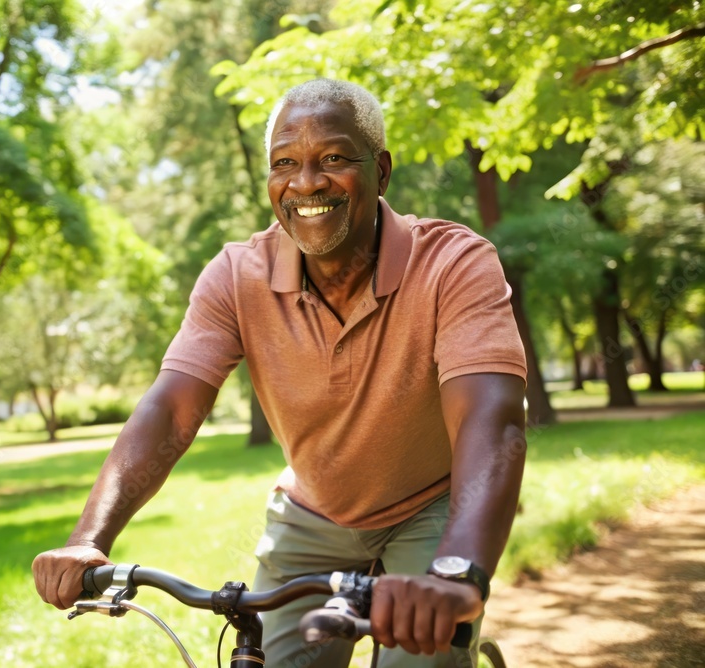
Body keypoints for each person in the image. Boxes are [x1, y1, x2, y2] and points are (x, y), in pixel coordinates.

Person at [33, 78, 527, 667]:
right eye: (285, 162)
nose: (307, 182)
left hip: (429, 506)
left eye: (335, 158)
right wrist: (89, 538)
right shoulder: (237, 275)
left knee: (422, 658)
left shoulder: (454, 262)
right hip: (313, 511)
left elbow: (490, 420)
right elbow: (170, 410)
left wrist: (457, 570)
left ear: (382, 170)